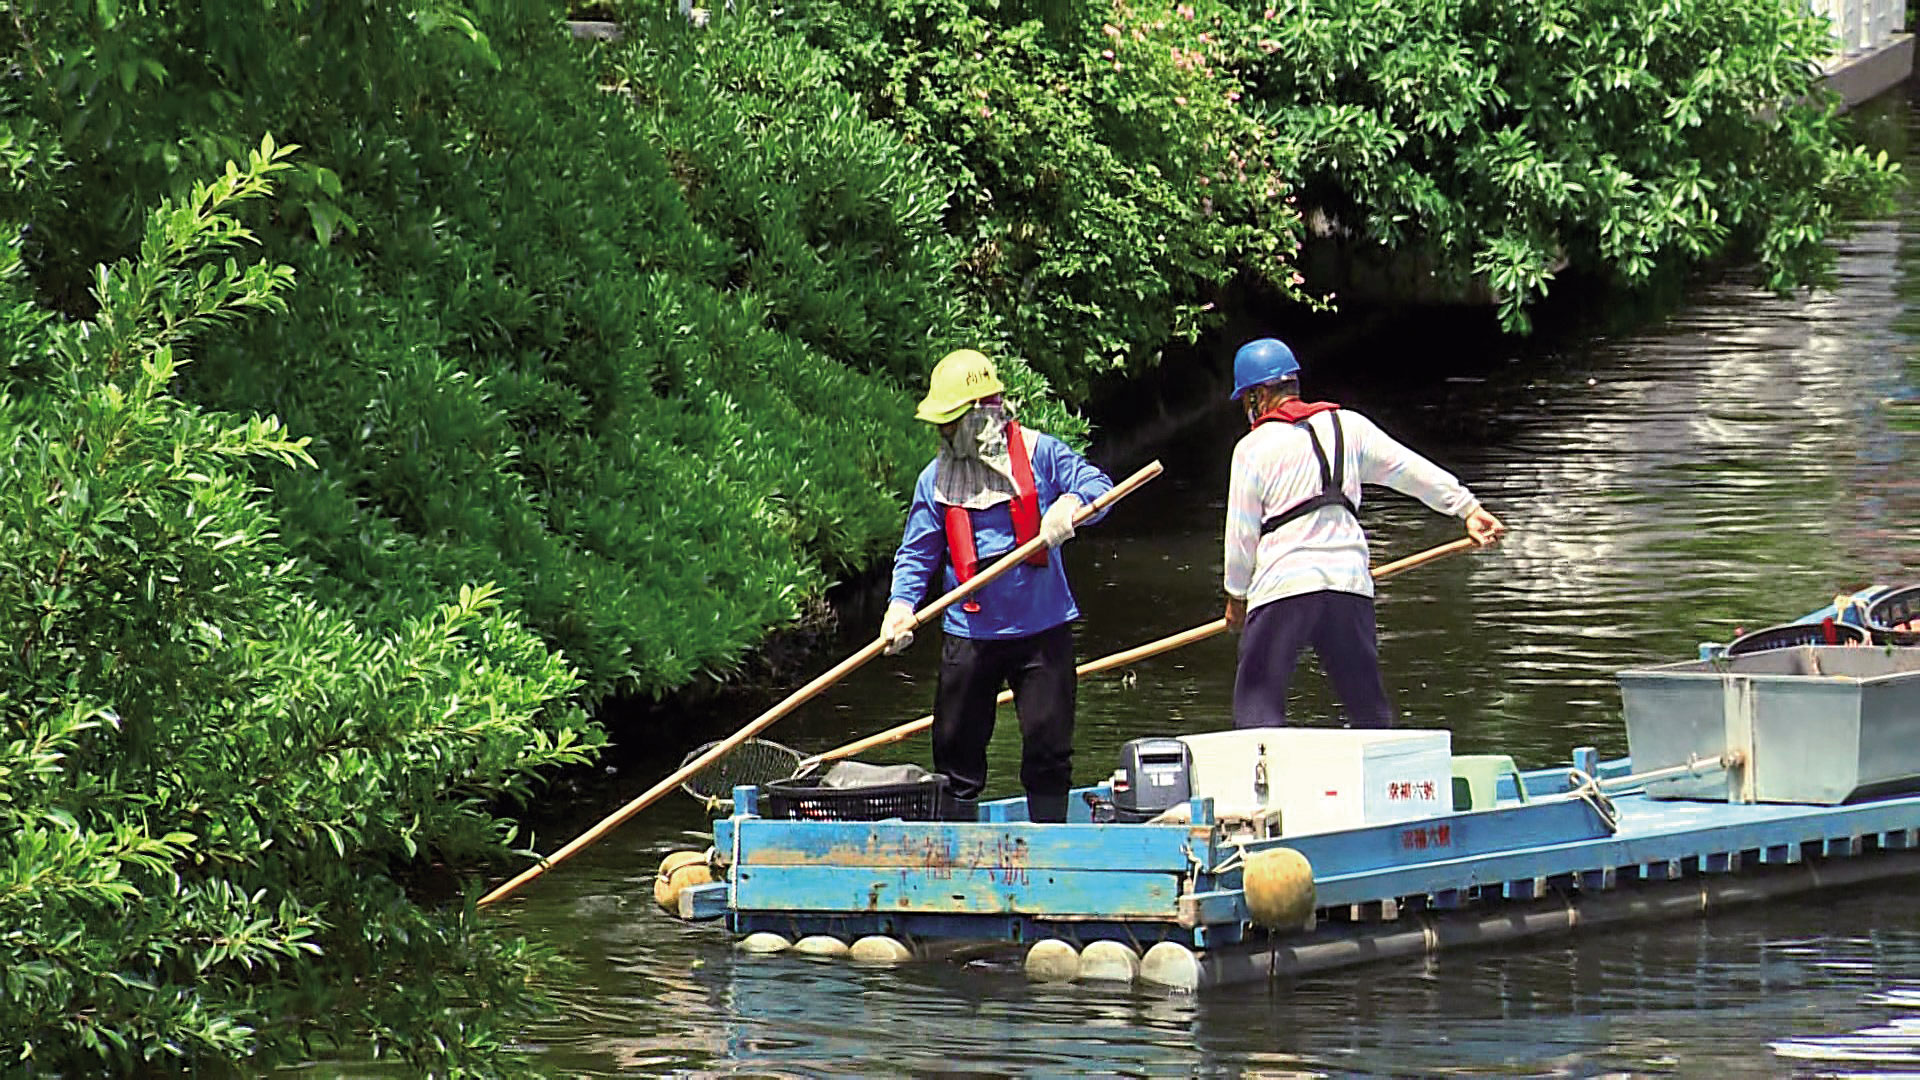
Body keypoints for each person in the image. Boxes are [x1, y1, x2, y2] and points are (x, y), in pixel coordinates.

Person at [1222, 337, 1506, 729]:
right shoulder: (1348, 427)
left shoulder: (1252, 448)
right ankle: (1382, 776)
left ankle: (1260, 779)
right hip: (1349, 582)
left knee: (1257, 699)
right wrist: (1467, 508)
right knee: (1366, 703)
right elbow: (1409, 469)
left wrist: (1237, 596)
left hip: (1283, 585)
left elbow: (1241, 534)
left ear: (1257, 396)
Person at [880, 349, 1114, 823]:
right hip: (970, 636)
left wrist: (1071, 504)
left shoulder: (1041, 452)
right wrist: (900, 605)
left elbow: (1099, 487)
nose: (944, 433)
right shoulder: (935, 479)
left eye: (952, 422)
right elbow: (918, 552)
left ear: (984, 413)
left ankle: (1051, 847)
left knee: (1048, 751)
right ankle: (954, 851)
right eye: (940, 425)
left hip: (1042, 630)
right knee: (955, 754)